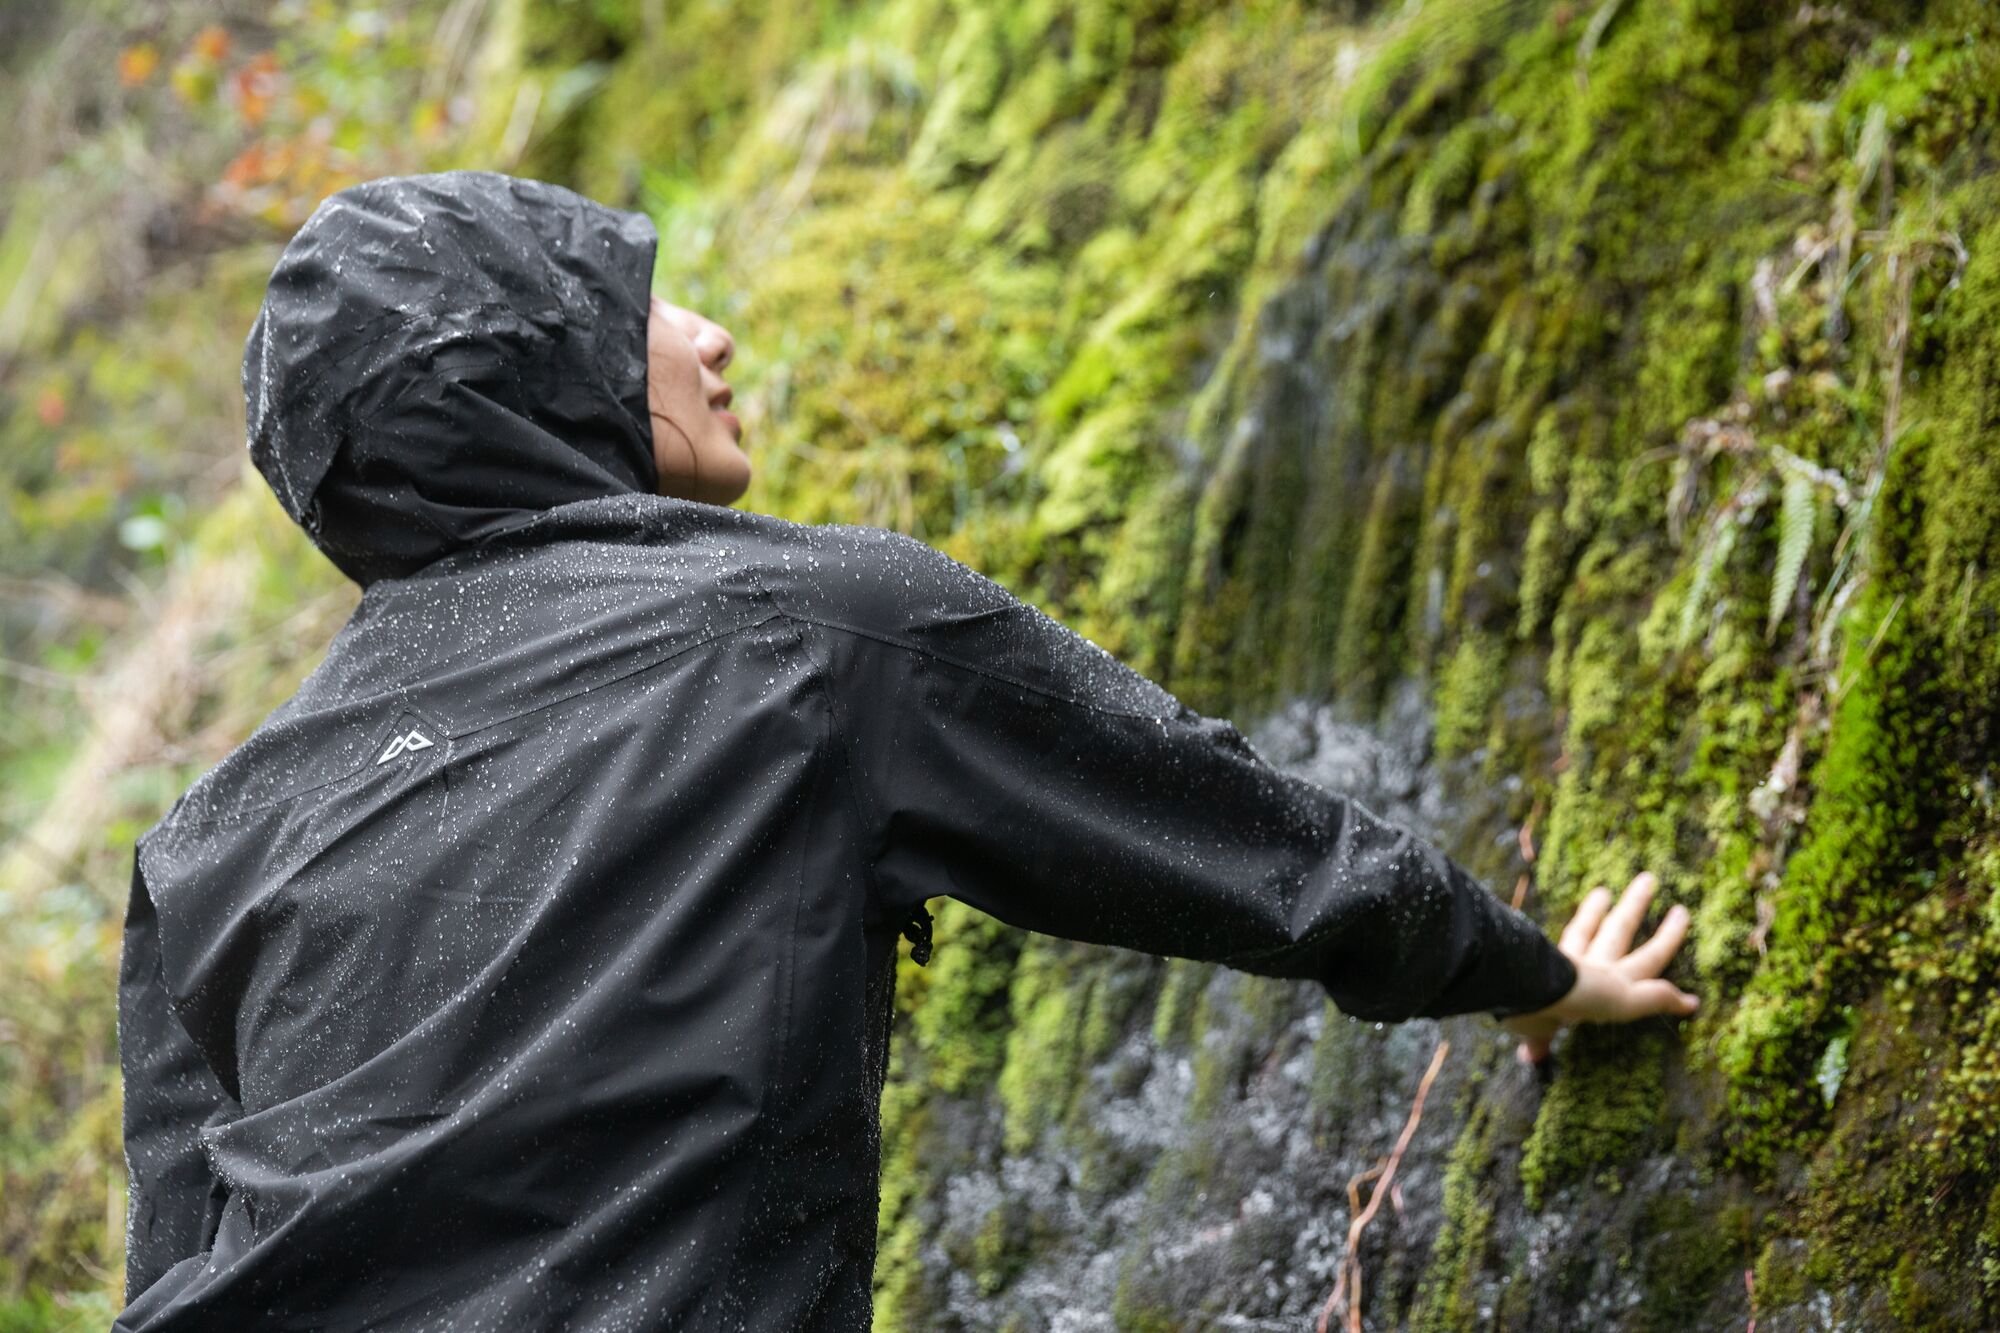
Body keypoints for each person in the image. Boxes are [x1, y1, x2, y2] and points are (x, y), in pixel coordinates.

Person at [114, 169, 1696, 1332]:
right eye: (632, 299)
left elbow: (183, 1263)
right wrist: (1541, 979)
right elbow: (1263, 852)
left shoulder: (206, 838)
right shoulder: (811, 635)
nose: (708, 331)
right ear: (535, 371)